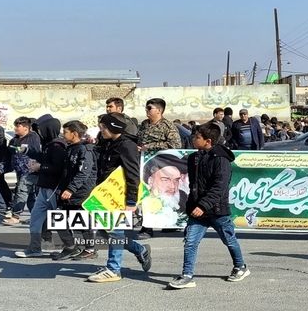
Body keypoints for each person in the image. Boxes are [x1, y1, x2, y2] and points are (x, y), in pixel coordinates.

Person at [168, 124, 249, 289]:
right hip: (197, 211)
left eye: (197, 137)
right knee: (190, 241)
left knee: (229, 239)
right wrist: (192, 206)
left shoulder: (221, 159)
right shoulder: (193, 158)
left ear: (208, 141)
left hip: (217, 210)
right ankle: (187, 275)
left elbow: (219, 187)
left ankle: (240, 266)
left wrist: (204, 205)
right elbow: (194, 186)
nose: (193, 139)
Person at [87, 113, 152, 283]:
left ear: (113, 127)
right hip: (105, 195)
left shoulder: (127, 145)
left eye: (104, 127)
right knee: (105, 231)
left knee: (115, 232)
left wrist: (131, 202)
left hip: (120, 197)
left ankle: (113, 269)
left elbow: (132, 175)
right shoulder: (108, 143)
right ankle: (139, 250)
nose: (101, 130)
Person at [14, 115, 67, 257]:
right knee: (36, 219)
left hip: (54, 190)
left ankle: (72, 246)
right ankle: (35, 248)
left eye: (40, 129)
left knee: (60, 221)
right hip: (44, 188)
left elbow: (57, 168)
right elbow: (43, 157)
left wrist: (39, 167)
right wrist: (27, 152)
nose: (38, 132)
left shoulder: (57, 146)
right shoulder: (49, 144)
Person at [53, 120, 99, 261]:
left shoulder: (85, 150)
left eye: (65, 132)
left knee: (81, 222)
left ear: (74, 134)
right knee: (59, 220)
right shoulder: (70, 148)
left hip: (80, 192)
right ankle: (71, 247)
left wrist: (71, 189)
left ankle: (90, 249)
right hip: (67, 192)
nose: (63, 134)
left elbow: (83, 173)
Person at [137, 98, 182, 239]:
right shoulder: (144, 124)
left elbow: (175, 145)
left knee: (163, 196)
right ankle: (147, 227)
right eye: (146, 108)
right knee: (147, 195)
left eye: (150, 108)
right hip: (146, 166)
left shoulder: (168, 126)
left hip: (162, 167)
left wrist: (149, 147)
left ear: (159, 110)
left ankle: (165, 224)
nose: (147, 111)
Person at [1, 117, 42, 225]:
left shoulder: (33, 137)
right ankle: (36, 217)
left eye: (18, 126)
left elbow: (35, 152)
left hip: (30, 171)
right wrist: (0, 168)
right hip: (19, 172)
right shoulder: (14, 139)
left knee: (21, 192)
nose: (15, 128)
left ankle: (16, 216)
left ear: (26, 127)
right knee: (31, 196)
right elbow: (8, 155)